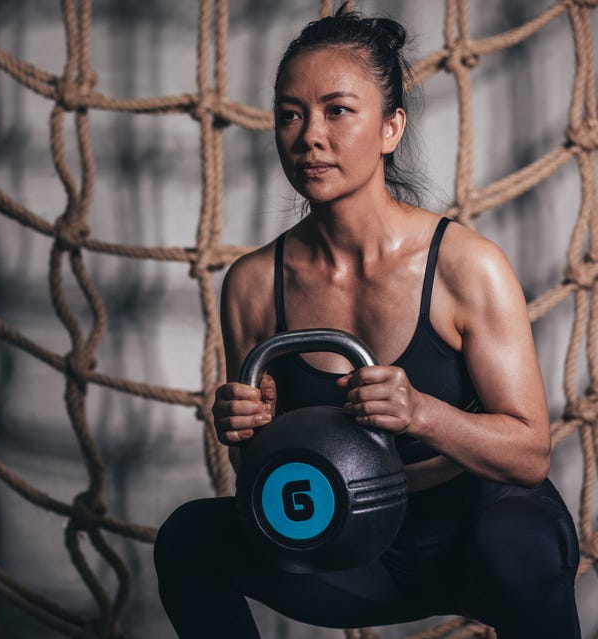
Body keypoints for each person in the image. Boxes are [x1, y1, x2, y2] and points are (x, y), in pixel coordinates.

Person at [154, 9, 581, 639]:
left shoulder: (467, 265)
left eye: (337, 110)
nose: (309, 137)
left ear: (390, 127)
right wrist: (249, 432)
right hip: (352, 547)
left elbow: (529, 455)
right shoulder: (251, 284)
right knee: (190, 537)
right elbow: (264, 481)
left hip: (479, 532)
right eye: (290, 113)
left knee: (517, 546)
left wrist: (422, 413)